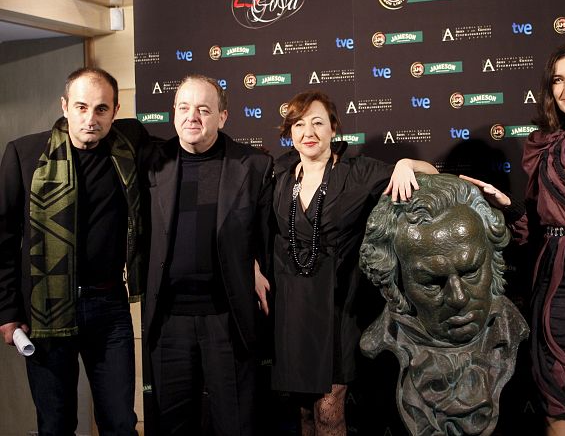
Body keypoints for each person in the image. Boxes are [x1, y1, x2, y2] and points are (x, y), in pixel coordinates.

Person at [463, 42, 565, 436]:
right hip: (552, 287)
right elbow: (535, 228)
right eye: (558, 80)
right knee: (556, 405)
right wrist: (508, 206)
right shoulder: (541, 142)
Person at [271, 90, 437, 436]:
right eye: (299, 124)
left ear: (334, 128)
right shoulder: (282, 174)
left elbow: (430, 174)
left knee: (329, 414)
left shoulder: (358, 172)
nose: (308, 132)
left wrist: (406, 164)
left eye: (318, 122)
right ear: (290, 132)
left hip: (336, 307)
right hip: (293, 307)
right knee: (303, 414)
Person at [0, 67, 146, 435]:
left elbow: (192, 146)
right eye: (81, 107)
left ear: (115, 110)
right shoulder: (24, 153)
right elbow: (3, 238)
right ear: (64, 106)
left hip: (109, 308)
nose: (90, 119)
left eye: (101, 109)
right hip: (44, 308)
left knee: (120, 421)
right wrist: (7, 309)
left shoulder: (129, 146)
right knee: (55, 424)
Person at [142, 74, 273, 435]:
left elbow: (267, 233)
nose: (192, 117)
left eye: (203, 109)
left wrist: (258, 264)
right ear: (173, 113)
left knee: (235, 423)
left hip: (227, 318)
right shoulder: (152, 163)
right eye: (184, 107)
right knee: (172, 425)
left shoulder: (253, 165)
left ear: (223, 116)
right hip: (168, 321)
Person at [359, 173, 529, 436]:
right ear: (396, 282)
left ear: (492, 260)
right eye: (432, 283)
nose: (459, 297)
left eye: (471, 272)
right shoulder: (379, 348)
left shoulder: (516, 332)